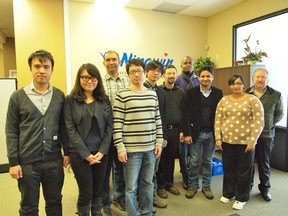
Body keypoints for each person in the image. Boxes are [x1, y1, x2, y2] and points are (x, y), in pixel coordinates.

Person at [5, 49, 70, 216]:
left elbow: (64, 127)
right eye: (37, 66)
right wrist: (13, 162)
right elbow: (11, 130)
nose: (42, 70)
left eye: (46, 67)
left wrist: (67, 152)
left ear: (51, 70)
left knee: (55, 202)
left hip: (53, 161)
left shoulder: (59, 96)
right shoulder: (17, 97)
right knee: (28, 206)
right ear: (30, 69)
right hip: (27, 163)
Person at [113, 58, 163, 216]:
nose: (137, 75)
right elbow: (117, 124)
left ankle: (147, 212)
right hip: (131, 151)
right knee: (131, 187)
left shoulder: (152, 94)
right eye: (132, 72)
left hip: (150, 149)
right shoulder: (122, 96)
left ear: (144, 73)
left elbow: (157, 120)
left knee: (147, 184)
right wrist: (120, 147)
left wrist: (159, 142)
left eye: (139, 71)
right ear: (128, 75)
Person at [64, 63, 113, 216]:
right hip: (79, 154)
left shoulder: (104, 100)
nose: (89, 80)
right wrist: (85, 154)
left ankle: (97, 213)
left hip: (101, 154)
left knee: (99, 190)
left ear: (98, 79)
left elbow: (109, 128)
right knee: (86, 191)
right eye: (85, 77)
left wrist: (102, 151)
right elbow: (70, 129)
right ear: (79, 79)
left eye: (92, 77)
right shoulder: (70, 100)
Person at [214, 74, 264, 210]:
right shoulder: (224, 100)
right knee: (229, 168)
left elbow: (259, 122)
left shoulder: (252, 100)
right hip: (227, 141)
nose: (235, 86)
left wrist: (252, 141)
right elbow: (218, 120)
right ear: (229, 86)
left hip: (245, 142)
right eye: (232, 84)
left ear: (243, 84)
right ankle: (228, 193)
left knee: (244, 171)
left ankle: (242, 197)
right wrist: (218, 137)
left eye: (238, 83)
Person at [181, 66, 223, 200]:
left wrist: (220, 135)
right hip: (195, 133)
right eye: (202, 76)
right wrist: (187, 133)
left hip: (211, 133)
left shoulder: (218, 93)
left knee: (208, 161)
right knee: (193, 161)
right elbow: (185, 114)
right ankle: (193, 186)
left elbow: (221, 115)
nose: (205, 79)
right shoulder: (191, 93)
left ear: (212, 77)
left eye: (208, 76)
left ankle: (206, 186)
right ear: (199, 78)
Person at [245, 68, 283, 201]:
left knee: (264, 163)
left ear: (267, 79)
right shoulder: (245, 94)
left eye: (263, 77)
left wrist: (268, 124)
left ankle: (265, 189)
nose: (260, 79)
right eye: (257, 77)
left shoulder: (276, 95)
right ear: (253, 79)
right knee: (248, 163)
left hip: (266, 135)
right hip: (249, 136)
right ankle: (246, 188)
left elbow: (279, 114)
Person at [102, 50, 130, 215]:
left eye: (114, 59)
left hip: (122, 132)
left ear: (119, 62)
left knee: (120, 168)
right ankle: (105, 201)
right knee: (104, 170)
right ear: (104, 63)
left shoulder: (127, 81)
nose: (111, 62)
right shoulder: (98, 82)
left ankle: (119, 197)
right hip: (104, 133)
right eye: (108, 60)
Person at [157, 65, 184, 199]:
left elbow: (184, 112)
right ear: (163, 75)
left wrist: (182, 130)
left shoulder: (181, 92)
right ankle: (161, 186)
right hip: (163, 130)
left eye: (173, 74)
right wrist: (162, 134)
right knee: (161, 159)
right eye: (169, 74)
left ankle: (169, 183)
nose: (171, 76)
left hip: (176, 130)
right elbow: (159, 114)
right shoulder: (159, 92)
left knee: (171, 159)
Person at [144, 60, 168, 209]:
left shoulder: (161, 92)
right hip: (141, 137)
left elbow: (163, 116)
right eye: (153, 70)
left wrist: (163, 137)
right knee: (141, 171)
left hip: (156, 137)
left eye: (159, 71)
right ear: (146, 71)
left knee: (153, 169)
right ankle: (144, 197)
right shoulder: (139, 88)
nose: (155, 73)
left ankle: (151, 196)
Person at [175, 56, 200, 190]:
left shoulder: (198, 80)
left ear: (193, 65)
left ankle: (192, 176)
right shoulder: (178, 80)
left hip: (195, 121)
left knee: (194, 153)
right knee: (183, 153)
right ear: (181, 65)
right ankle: (185, 177)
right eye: (185, 63)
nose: (187, 65)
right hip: (182, 119)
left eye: (190, 63)